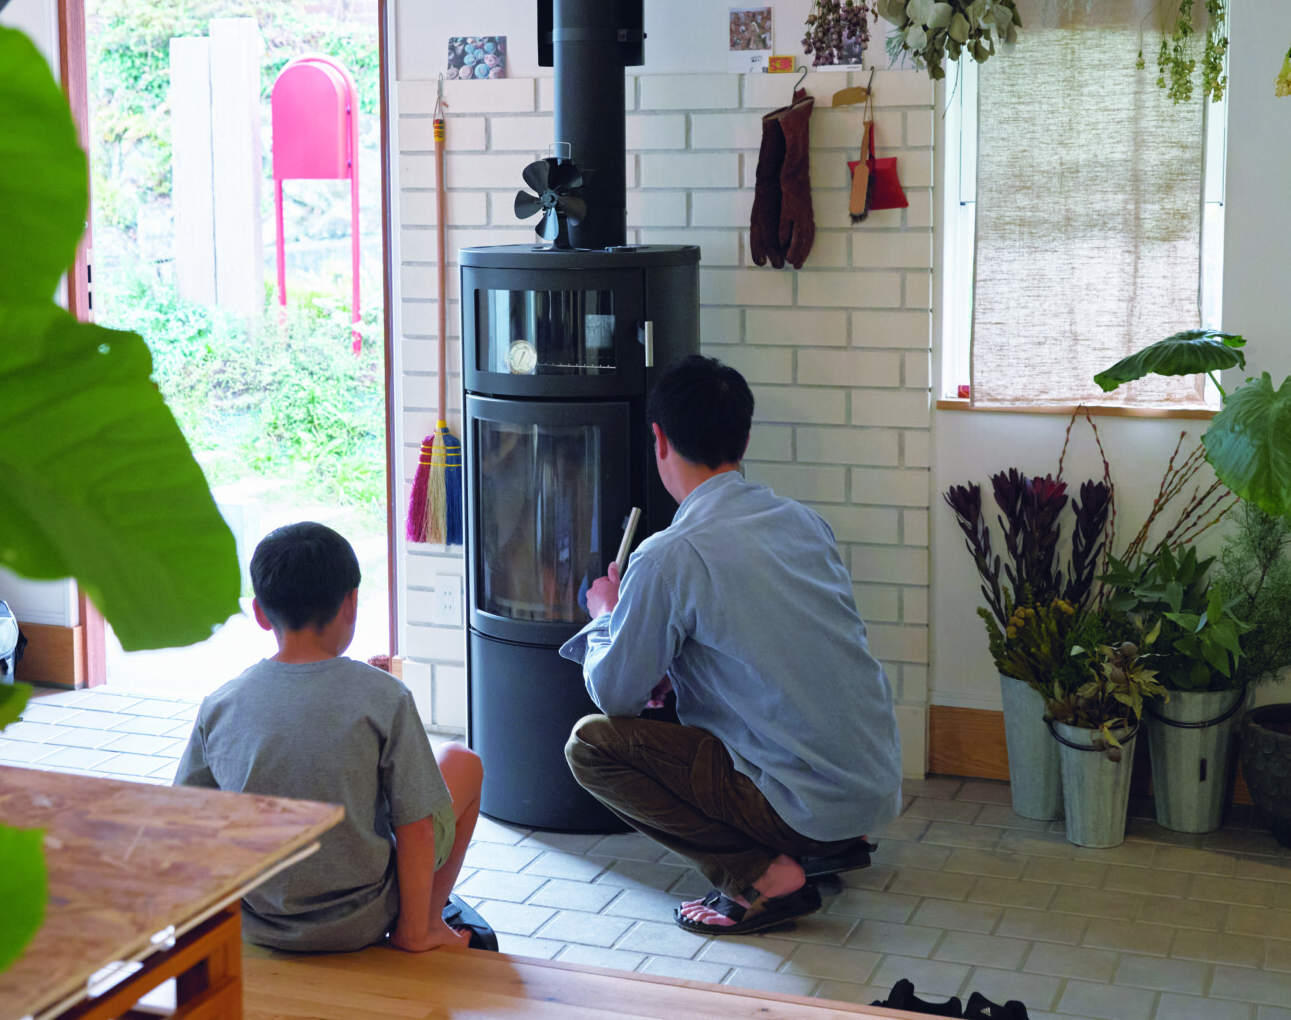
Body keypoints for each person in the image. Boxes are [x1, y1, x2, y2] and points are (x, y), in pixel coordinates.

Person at [560, 355, 903, 936]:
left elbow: (613, 695)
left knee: (590, 747)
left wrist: (605, 615)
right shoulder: (803, 522)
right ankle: (829, 839)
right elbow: (785, 648)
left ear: (658, 439)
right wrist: (676, 663)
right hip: (872, 791)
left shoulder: (669, 553)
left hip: (804, 807)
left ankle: (760, 876)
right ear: (744, 438)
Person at [174, 521, 485, 954]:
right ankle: (423, 928)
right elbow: (414, 825)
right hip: (363, 918)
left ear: (261, 613)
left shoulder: (220, 705)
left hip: (261, 922)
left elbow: (187, 823)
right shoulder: (384, 696)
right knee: (463, 761)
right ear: (351, 604)